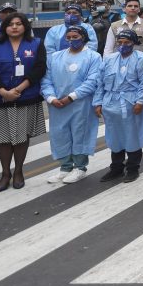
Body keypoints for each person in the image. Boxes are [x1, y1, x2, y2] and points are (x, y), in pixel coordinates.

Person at [0, 13, 47, 191]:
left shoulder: (36, 44)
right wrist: (3, 91)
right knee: (3, 139)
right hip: (0, 98)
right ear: (4, 27)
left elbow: (40, 68)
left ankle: (18, 171)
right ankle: (5, 173)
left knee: (21, 136)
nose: (14, 27)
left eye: (18, 24)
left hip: (25, 97)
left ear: (25, 26)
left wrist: (19, 89)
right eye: (10, 24)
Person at [42, 26, 102, 184]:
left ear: (83, 37)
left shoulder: (93, 57)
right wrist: (51, 98)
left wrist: (72, 97)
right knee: (59, 134)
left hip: (81, 103)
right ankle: (65, 167)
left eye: (75, 37)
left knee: (80, 132)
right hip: (58, 105)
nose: (71, 40)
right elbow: (46, 80)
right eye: (68, 37)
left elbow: (93, 81)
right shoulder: (55, 57)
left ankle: (80, 167)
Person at [94, 29, 143, 183]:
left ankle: (133, 168)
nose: (122, 45)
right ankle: (116, 168)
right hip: (111, 103)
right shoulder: (109, 59)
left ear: (133, 43)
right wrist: (98, 102)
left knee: (132, 136)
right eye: (119, 42)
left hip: (130, 102)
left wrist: (140, 102)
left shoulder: (141, 58)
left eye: (126, 42)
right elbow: (99, 83)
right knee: (114, 137)